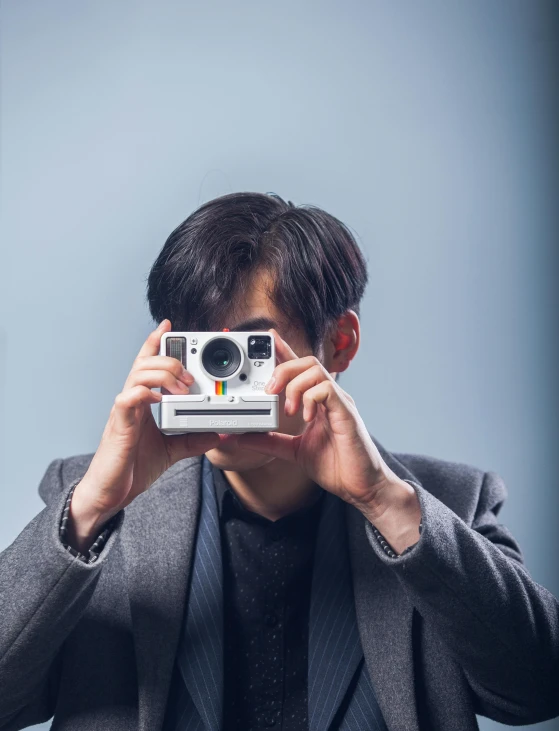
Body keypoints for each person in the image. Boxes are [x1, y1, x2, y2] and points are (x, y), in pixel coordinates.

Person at [0, 192, 558, 731]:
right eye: (199, 351)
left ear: (339, 344)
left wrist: (387, 504)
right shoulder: (88, 500)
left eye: (247, 352)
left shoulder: (448, 504)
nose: (217, 382)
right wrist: (93, 508)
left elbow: (538, 687)